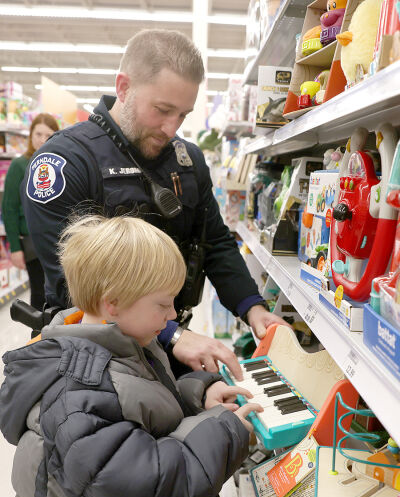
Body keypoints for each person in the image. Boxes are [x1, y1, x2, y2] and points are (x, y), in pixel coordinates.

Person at [0, 214, 263, 497]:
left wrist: (197, 397)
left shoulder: (125, 344)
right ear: (113, 303)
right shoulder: (76, 392)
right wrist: (225, 430)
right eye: (163, 304)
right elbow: (143, 488)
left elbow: (142, 411)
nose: (173, 316)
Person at [22, 29, 287, 378]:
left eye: (183, 115)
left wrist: (252, 307)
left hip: (169, 344)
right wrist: (172, 334)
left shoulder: (187, 160)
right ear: (123, 87)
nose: (171, 128)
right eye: (162, 110)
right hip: (92, 358)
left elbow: (215, 242)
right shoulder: (65, 162)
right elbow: (73, 286)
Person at [2, 113, 59, 309]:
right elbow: (8, 208)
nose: (42, 140)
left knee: (59, 292)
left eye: (49, 135)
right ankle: (38, 336)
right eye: (38, 134)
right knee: (39, 292)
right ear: (30, 136)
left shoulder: (59, 162)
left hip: (57, 239)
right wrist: (15, 248)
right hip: (32, 243)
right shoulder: (19, 165)